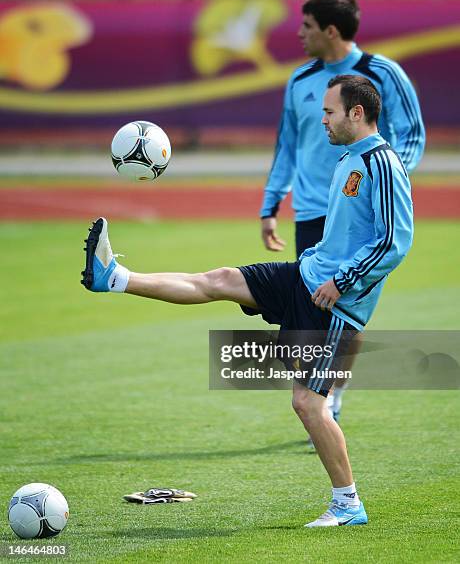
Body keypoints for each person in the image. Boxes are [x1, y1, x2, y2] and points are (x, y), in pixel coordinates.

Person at [81, 75, 413, 527]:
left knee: (308, 404)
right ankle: (113, 277)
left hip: (333, 304)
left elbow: (395, 240)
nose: (323, 121)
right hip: (305, 277)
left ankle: (348, 503)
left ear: (357, 113)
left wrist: (343, 280)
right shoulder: (348, 158)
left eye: (330, 112)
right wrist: (318, 262)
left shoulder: (382, 163)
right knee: (218, 280)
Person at [260, 0, 424, 425]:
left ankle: (331, 392)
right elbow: (287, 145)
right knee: (308, 312)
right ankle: (318, 389)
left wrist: (382, 183)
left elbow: (412, 135)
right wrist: (270, 203)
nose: (299, 33)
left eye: (307, 26)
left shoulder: (383, 72)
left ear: (330, 30)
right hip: (313, 209)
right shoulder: (300, 80)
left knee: (345, 308)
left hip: (362, 212)